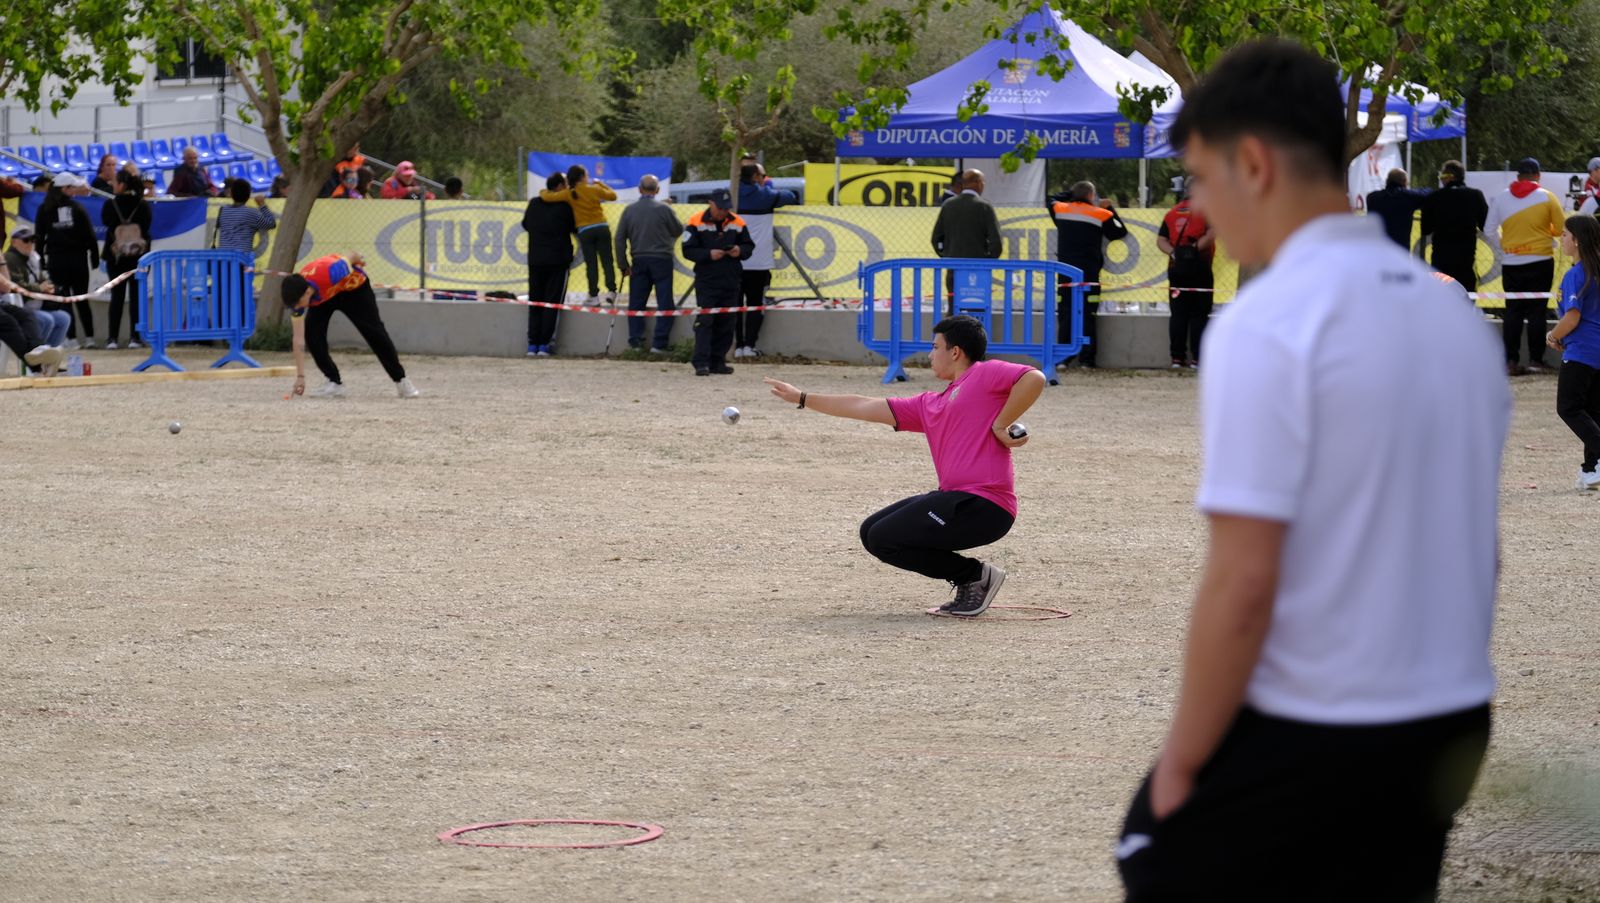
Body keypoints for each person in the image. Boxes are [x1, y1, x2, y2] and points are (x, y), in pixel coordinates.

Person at [1115, 41, 1509, 903]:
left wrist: (1181, 762)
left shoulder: (1271, 324)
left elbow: (1244, 579)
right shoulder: (1454, 320)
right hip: (1448, 710)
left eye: (1199, 179)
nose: (1201, 210)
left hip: (1326, 716)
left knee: (1151, 854)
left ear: (1251, 162)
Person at [762, 315, 1044, 616]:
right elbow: (863, 405)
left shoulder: (983, 374)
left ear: (956, 352)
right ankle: (973, 575)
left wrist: (1001, 424)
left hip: (985, 506)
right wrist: (802, 397)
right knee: (872, 533)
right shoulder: (930, 404)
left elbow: (1033, 378)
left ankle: (973, 576)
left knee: (885, 535)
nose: (930, 354)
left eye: (935, 347)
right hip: (956, 498)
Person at [280, 252, 420, 399]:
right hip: (326, 296)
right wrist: (300, 376)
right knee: (312, 334)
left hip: (354, 290)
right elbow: (298, 339)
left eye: (297, 303)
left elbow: (352, 256)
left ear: (307, 292)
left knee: (374, 332)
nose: (296, 307)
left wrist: (359, 258)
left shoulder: (331, 273)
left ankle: (402, 381)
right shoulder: (299, 295)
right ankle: (334, 383)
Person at [1486, 157, 1565, 374]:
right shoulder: (1547, 197)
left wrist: (1505, 248)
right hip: (1540, 260)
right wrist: (1543, 234)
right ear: (1538, 176)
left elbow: (1489, 229)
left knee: (1513, 311)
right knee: (1537, 311)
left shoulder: (1501, 198)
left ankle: (1510, 361)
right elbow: (1560, 229)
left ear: (1517, 176)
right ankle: (1536, 361)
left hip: (1512, 263)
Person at [1546, 215, 1600, 491]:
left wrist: (1553, 336)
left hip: (1582, 352)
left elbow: (1572, 317)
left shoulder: (1576, 273)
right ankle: (1592, 470)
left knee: (1568, 407)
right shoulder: (1594, 269)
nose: (1561, 239)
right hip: (1596, 351)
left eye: (1565, 235)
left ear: (1577, 240)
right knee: (1592, 411)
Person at [1050, 180, 1128, 369]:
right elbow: (1119, 232)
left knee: (1066, 313)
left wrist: (1072, 195)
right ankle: (1087, 360)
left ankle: (1063, 359)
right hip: (1089, 274)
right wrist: (1110, 208)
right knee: (1088, 314)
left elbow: (1050, 199)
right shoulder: (1101, 213)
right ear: (1092, 196)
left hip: (1065, 273)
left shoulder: (1060, 209)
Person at [682, 187, 753, 376]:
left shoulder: (737, 222)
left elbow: (749, 246)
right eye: (720, 208)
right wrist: (708, 254)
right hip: (707, 281)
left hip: (731, 280)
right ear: (710, 204)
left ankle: (718, 361)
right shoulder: (695, 222)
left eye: (726, 208)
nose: (723, 212)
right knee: (705, 321)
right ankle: (701, 362)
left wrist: (740, 250)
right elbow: (687, 250)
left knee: (727, 322)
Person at [734, 161, 798, 358]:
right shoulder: (764, 195)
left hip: (735, 261)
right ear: (755, 178)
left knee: (735, 305)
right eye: (762, 175)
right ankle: (749, 346)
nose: (764, 178)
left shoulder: (732, 194)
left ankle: (737, 346)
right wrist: (768, 186)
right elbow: (791, 196)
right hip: (758, 262)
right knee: (756, 305)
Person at [615, 173, 683, 354]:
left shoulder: (629, 210)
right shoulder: (664, 209)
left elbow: (620, 238)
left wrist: (623, 264)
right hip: (662, 260)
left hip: (639, 260)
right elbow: (678, 229)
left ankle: (636, 343)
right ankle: (659, 344)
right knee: (665, 302)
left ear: (639, 189)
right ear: (658, 190)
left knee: (636, 302)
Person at [1157, 177, 1216, 369]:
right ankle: (1197, 359)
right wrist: (1194, 249)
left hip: (1177, 269)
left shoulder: (1171, 213)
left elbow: (1161, 240)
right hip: (1200, 267)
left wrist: (1175, 253)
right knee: (1199, 314)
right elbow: (1212, 234)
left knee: (1178, 314)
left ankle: (1176, 358)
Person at [36, 172, 99, 348]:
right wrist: (94, 258)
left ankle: (70, 339)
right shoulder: (77, 208)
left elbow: (39, 237)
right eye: (72, 187)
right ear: (65, 189)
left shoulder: (45, 208)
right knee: (81, 299)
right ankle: (89, 337)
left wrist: (41, 261)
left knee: (63, 300)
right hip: (77, 260)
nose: (75, 190)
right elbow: (90, 236)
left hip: (57, 261)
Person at [541, 164, 618, 303]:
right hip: (601, 227)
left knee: (591, 264)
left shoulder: (570, 193)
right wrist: (600, 183)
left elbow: (548, 197)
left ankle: (594, 295)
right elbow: (613, 196)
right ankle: (611, 291)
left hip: (585, 231)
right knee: (607, 260)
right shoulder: (594, 189)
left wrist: (542, 192)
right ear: (583, 177)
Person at [930, 169, 1003, 314]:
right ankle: (976, 336)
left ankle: (951, 336)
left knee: (954, 308)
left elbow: (936, 238)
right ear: (977, 183)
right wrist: (987, 261)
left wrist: (946, 256)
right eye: (982, 182)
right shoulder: (984, 206)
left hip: (953, 267)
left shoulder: (949, 205)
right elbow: (996, 242)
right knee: (977, 309)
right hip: (978, 269)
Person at [521, 172, 577, 357]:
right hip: (558, 261)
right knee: (552, 303)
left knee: (535, 301)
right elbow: (575, 229)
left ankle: (532, 344)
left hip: (536, 260)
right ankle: (545, 344)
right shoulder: (565, 207)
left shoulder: (534, 203)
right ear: (560, 186)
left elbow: (526, 224)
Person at [100, 169, 152, 349]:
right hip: (138, 258)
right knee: (137, 297)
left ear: (122, 185)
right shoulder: (143, 205)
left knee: (117, 298)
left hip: (116, 257)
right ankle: (134, 338)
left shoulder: (110, 205)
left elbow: (107, 223)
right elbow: (146, 227)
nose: (112, 185)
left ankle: (112, 338)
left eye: (114, 182)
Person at [1419, 160, 1488, 293]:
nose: (1442, 180)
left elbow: (1425, 228)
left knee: (1441, 297)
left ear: (1450, 177)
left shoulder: (1434, 197)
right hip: (1466, 258)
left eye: (1443, 177)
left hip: (1441, 257)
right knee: (1467, 297)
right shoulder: (1475, 195)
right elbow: (1485, 225)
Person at [1365, 168, 1427, 251]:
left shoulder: (1372, 198)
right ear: (1405, 182)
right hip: (1400, 250)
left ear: (1387, 181)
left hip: (1377, 249)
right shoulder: (1408, 197)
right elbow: (1426, 193)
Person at [214, 178, 277, 256]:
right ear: (249, 195)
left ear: (232, 194)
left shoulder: (223, 210)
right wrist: (262, 205)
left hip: (224, 260)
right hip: (242, 260)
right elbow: (271, 224)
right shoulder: (251, 213)